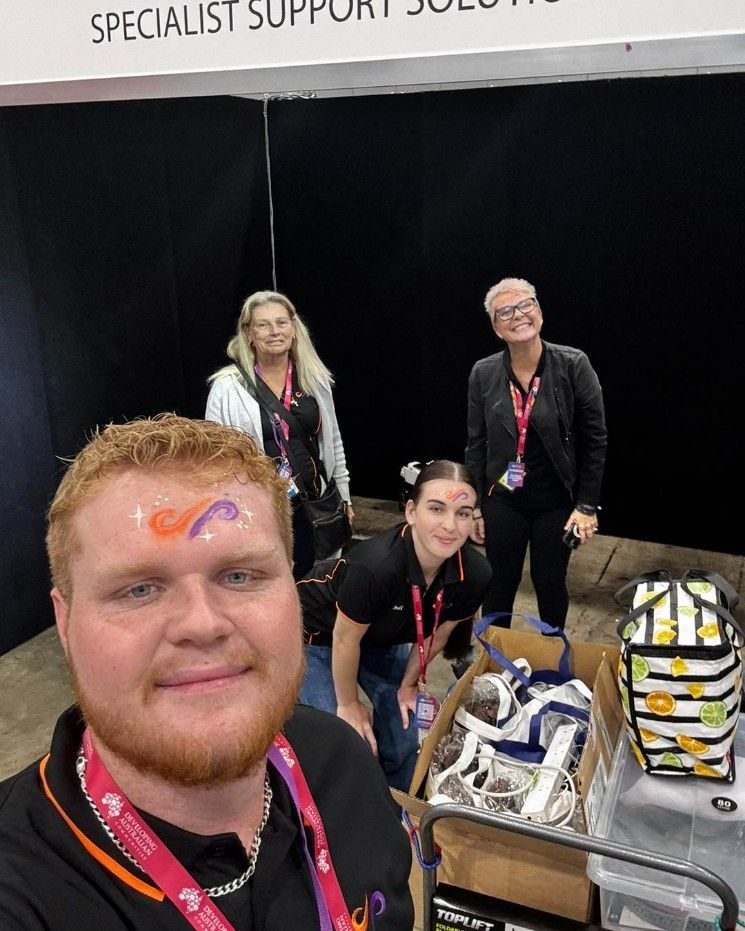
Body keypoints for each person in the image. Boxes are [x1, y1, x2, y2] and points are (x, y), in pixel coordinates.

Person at [0, 414, 413, 930]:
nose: (202, 623)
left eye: (240, 575)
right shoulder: (20, 890)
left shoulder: (342, 763)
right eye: (139, 589)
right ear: (64, 622)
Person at [297, 460, 492, 792]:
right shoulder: (375, 567)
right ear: (412, 512)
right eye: (436, 508)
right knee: (347, 739)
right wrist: (349, 705)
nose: (449, 525)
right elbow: (345, 639)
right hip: (321, 636)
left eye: (462, 513)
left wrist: (408, 685)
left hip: (381, 638)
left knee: (403, 741)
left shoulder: (475, 574)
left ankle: (400, 812)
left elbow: (438, 633)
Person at [465, 277, 607, 630]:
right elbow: (476, 443)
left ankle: (553, 665)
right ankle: (492, 662)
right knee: (498, 584)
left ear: (539, 312)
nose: (518, 315)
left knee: (549, 584)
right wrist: (476, 506)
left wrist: (586, 505)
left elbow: (596, 439)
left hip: (555, 502)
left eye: (526, 304)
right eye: (506, 312)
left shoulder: (573, 364)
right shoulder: (483, 373)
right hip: (503, 501)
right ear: (497, 328)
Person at [205, 290, 353, 579]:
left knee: (314, 583)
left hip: (313, 504)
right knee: (268, 583)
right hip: (259, 510)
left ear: (294, 328)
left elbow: (334, 442)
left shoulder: (315, 379)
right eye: (263, 325)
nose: (274, 331)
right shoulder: (227, 388)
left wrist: (344, 498)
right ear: (248, 333)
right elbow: (215, 460)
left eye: (281, 323)